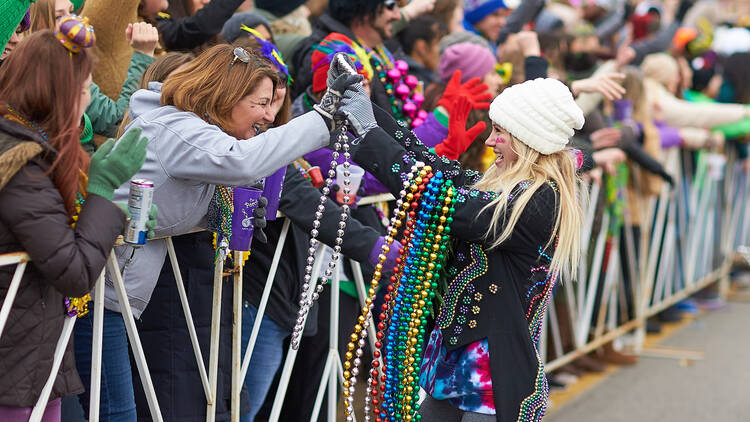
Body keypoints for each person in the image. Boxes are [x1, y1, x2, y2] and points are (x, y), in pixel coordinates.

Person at [73, 43, 363, 421]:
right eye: (259, 103)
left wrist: (219, 213)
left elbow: (181, 197)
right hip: (97, 297)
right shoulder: (176, 127)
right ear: (227, 94)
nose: (267, 117)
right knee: (116, 413)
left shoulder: (191, 127)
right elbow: (242, 162)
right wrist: (323, 118)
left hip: (119, 298)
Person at [333, 54, 587, 421]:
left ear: (528, 140)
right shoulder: (510, 192)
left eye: (501, 133)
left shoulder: (539, 202)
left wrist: (369, 132)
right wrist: (363, 106)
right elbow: (431, 165)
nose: (489, 141)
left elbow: (435, 196)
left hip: (492, 383)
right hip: (455, 371)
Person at [0, 27, 148, 422]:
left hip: (31, 350)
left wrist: (108, 212)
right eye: (85, 85)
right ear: (60, 92)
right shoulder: (21, 164)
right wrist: (101, 193)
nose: (89, 96)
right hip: (14, 357)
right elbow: (74, 270)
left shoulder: (28, 147)